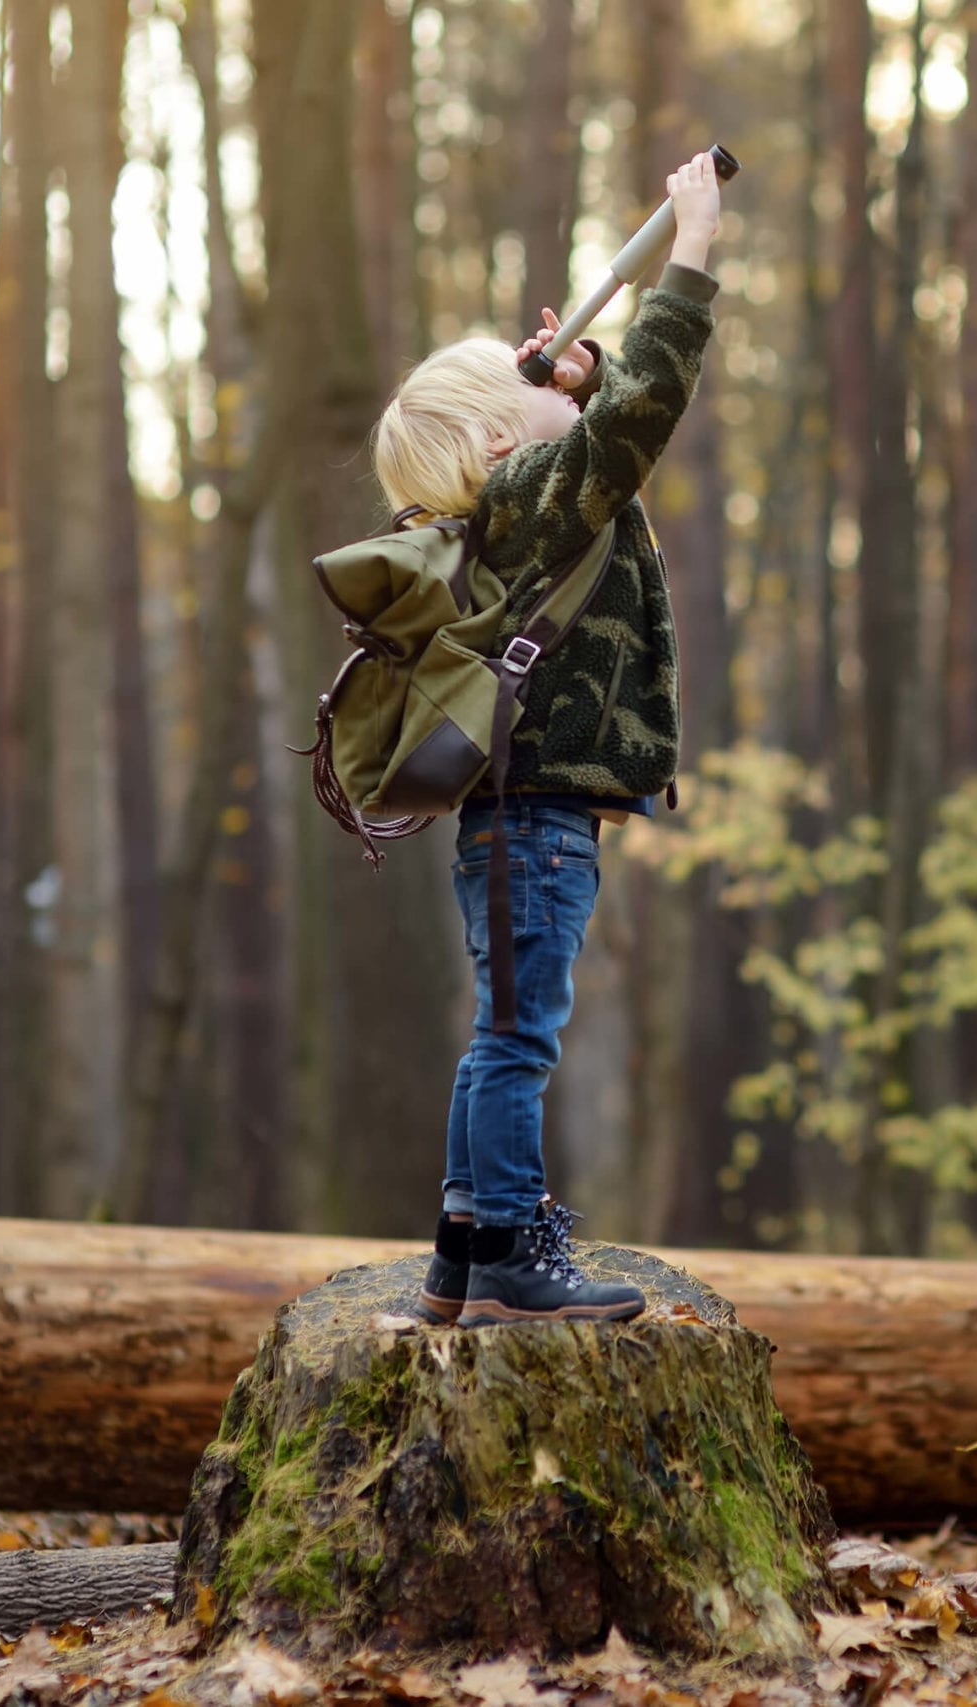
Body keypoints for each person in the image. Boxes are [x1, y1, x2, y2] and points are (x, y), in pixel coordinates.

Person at [367, 150, 723, 1326]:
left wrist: (575, 372)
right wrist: (693, 251)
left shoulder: (516, 506)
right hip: (536, 825)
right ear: (495, 447)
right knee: (517, 1041)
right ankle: (516, 1253)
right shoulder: (530, 497)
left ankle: (460, 1257)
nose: (556, 385)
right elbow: (639, 417)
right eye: (525, 387)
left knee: (502, 1034)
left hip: (521, 822)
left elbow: (604, 424)